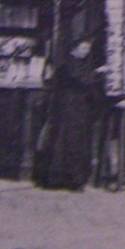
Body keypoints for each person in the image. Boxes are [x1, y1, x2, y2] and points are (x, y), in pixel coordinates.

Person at [36, 37, 104, 191]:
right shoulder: (68, 63)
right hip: (68, 108)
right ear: (74, 48)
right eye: (83, 48)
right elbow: (80, 78)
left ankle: (75, 179)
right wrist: (96, 73)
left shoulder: (82, 63)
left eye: (87, 49)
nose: (85, 52)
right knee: (66, 142)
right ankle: (62, 179)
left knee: (76, 144)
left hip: (79, 109)